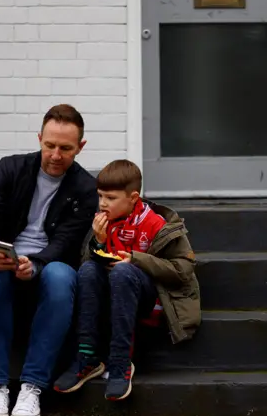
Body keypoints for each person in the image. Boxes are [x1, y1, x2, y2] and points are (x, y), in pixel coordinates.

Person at [0, 104, 98, 416]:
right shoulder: (10, 169)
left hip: (51, 264)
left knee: (58, 278)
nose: (56, 155)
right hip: (3, 259)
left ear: (80, 147)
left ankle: (31, 387)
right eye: (50, 145)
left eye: (66, 148)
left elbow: (65, 242)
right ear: (40, 138)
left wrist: (37, 264)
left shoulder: (84, 188)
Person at [53, 159, 201, 401]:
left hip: (148, 295)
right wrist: (98, 242)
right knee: (89, 269)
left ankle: (120, 362)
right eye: (100, 196)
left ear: (133, 198)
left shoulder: (156, 223)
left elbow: (183, 268)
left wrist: (136, 259)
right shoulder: (104, 221)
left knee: (123, 272)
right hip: (111, 296)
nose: (102, 203)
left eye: (110, 198)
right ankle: (87, 357)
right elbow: (86, 265)